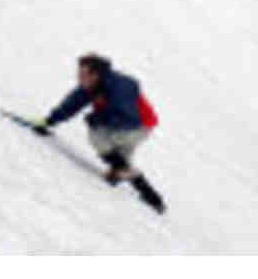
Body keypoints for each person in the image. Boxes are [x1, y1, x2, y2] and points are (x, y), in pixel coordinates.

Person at [33, 53, 165, 212]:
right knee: (118, 160)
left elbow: (127, 118)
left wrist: (97, 118)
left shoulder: (120, 87)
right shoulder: (91, 86)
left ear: (96, 75)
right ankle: (152, 198)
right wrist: (49, 121)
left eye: (83, 74)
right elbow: (71, 105)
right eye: (79, 73)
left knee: (97, 136)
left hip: (139, 126)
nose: (79, 77)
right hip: (127, 125)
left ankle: (129, 176)